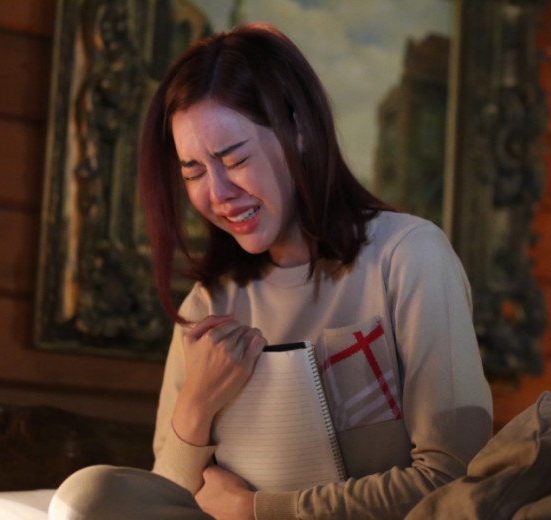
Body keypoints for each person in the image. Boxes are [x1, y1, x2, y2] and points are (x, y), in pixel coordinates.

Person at [50, 22, 493, 520]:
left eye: (234, 159)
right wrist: (196, 403)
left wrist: (259, 509)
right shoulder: (210, 304)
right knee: (89, 496)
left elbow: (453, 478)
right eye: (193, 172)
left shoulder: (408, 256)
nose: (217, 194)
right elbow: (166, 501)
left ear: (299, 131)